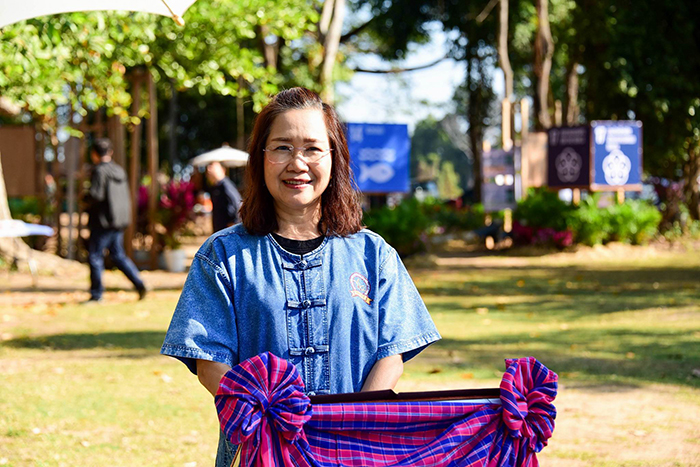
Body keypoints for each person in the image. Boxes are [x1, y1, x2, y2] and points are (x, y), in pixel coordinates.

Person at [160, 88, 440, 466]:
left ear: (334, 157)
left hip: (352, 453)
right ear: (260, 158)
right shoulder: (222, 256)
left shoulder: (373, 254)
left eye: (312, 148)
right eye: (282, 148)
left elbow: (392, 352)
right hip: (259, 451)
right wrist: (266, 421)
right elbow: (209, 361)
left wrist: (351, 424)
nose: (297, 163)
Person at [84, 138, 146, 302]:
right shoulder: (119, 171)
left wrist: (84, 198)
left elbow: (96, 195)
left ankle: (96, 294)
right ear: (110, 152)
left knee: (95, 256)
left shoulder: (99, 171)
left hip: (102, 221)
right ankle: (139, 283)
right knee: (118, 255)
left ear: (94, 154)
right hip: (118, 220)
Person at [205, 160, 242, 232]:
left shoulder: (226, 185)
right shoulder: (216, 187)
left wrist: (232, 227)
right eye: (208, 167)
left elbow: (236, 205)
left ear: (222, 170)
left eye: (212, 167)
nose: (209, 170)